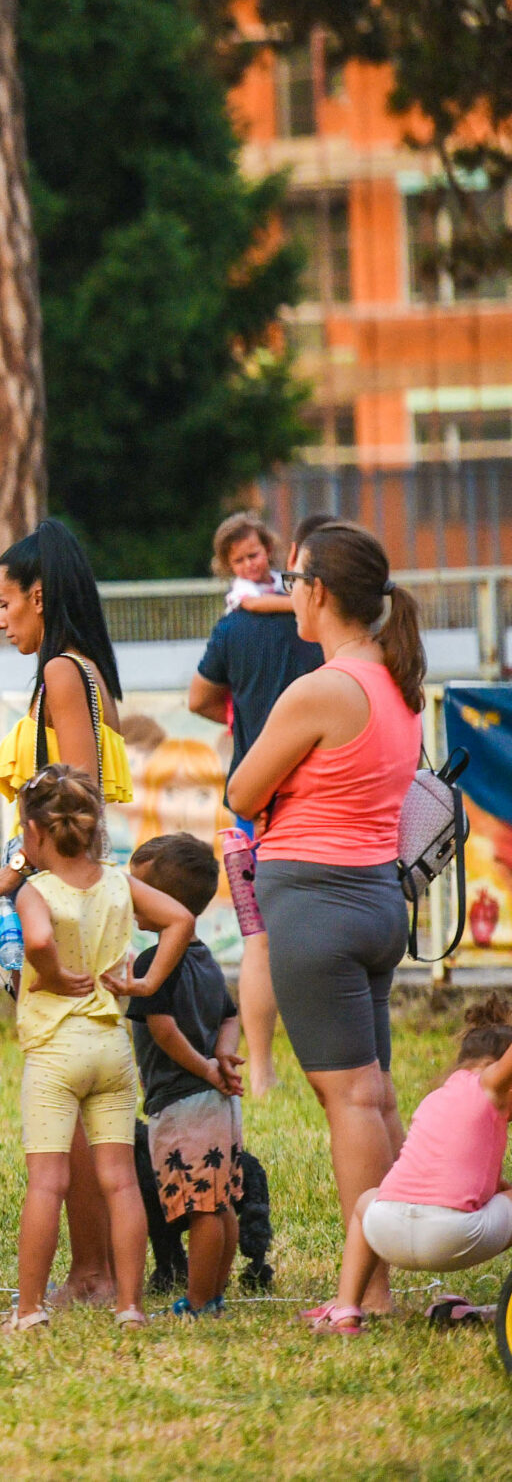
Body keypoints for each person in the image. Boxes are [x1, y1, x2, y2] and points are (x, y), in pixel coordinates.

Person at [226, 519, 424, 1316]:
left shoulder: (321, 688)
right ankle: (392, 1259)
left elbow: (242, 791)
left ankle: (368, 1291)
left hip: (316, 906)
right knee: (372, 1095)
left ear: (317, 591)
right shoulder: (394, 680)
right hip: (376, 900)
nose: (284, 591)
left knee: (348, 1101)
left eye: (293, 578)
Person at [0, 517, 133, 1309]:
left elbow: (78, 799)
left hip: (60, 913)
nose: (1, 619)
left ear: (39, 594)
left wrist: (15, 873)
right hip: (73, 901)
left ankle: (92, 1274)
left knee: (65, 1118)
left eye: (6, 602)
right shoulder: (81, 669)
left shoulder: (63, 673)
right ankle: (97, 1272)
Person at [5, 768, 195, 1332]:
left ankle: (29, 1309)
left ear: (35, 835)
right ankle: (129, 1305)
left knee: (47, 1182)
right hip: (113, 1048)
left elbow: (37, 938)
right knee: (119, 1180)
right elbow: (180, 919)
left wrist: (54, 973)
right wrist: (145, 983)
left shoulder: (35, 890)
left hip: (56, 1052)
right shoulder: (118, 883)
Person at [191, 511, 336, 1095]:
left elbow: (200, 696)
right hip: (324, 794)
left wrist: (238, 717)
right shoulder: (320, 626)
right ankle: (334, 1062)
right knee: (329, 929)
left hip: (256, 799)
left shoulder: (232, 627)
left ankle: (262, 1070)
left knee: (259, 938)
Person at [312, 998, 512, 1336]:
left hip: (386, 1229)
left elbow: (476, 1183)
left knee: (367, 1201)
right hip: (449, 1236)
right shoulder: (491, 1087)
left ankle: (346, 1309)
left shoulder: (436, 1100)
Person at [124, 833, 246, 1318]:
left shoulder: (157, 961)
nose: (133, 901)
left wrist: (208, 1068)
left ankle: (197, 1302)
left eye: (139, 890)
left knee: (200, 1207)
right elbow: (231, 1015)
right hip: (215, 1102)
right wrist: (223, 1055)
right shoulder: (205, 957)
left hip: (183, 1101)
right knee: (220, 1202)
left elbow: (163, 1027)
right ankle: (213, 1294)